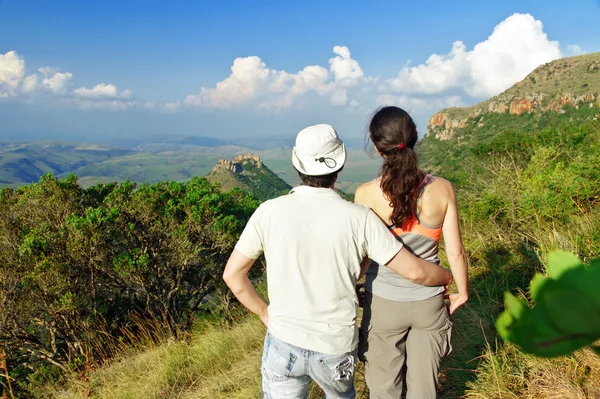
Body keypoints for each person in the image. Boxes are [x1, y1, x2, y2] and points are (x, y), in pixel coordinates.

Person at [223, 124, 453, 399]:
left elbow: (233, 276)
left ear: (297, 164)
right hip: (335, 346)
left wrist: (264, 313)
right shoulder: (360, 218)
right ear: (339, 165)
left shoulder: (268, 212)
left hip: (283, 340)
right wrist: (447, 277)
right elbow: (414, 271)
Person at [355, 106, 469, 399]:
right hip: (429, 301)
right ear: (414, 138)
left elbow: (363, 255)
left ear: (379, 149)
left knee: (383, 388)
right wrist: (463, 291)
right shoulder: (442, 189)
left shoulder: (365, 194)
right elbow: (455, 252)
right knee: (424, 389)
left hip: (383, 303)